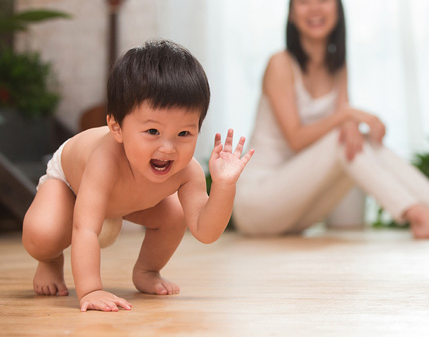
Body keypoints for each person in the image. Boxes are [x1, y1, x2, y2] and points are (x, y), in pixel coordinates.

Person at [232, 0, 429, 239]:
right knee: (342, 137)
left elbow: (345, 126)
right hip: (258, 201)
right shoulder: (280, 63)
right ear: (291, 15)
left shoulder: (337, 66)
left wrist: (354, 123)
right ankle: (420, 217)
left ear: (337, 10)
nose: (314, 9)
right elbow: (297, 140)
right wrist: (347, 115)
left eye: (323, 0)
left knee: (361, 139)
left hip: (296, 212)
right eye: (303, 2)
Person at [21, 39, 254, 312]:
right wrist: (91, 290)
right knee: (41, 235)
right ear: (116, 127)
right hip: (70, 185)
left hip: (121, 201)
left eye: (184, 134)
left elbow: (205, 231)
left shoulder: (186, 171)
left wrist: (224, 186)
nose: (167, 148)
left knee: (176, 213)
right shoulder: (105, 161)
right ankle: (50, 261)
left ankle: (147, 271)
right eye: (153, 132)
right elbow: (85, 228)